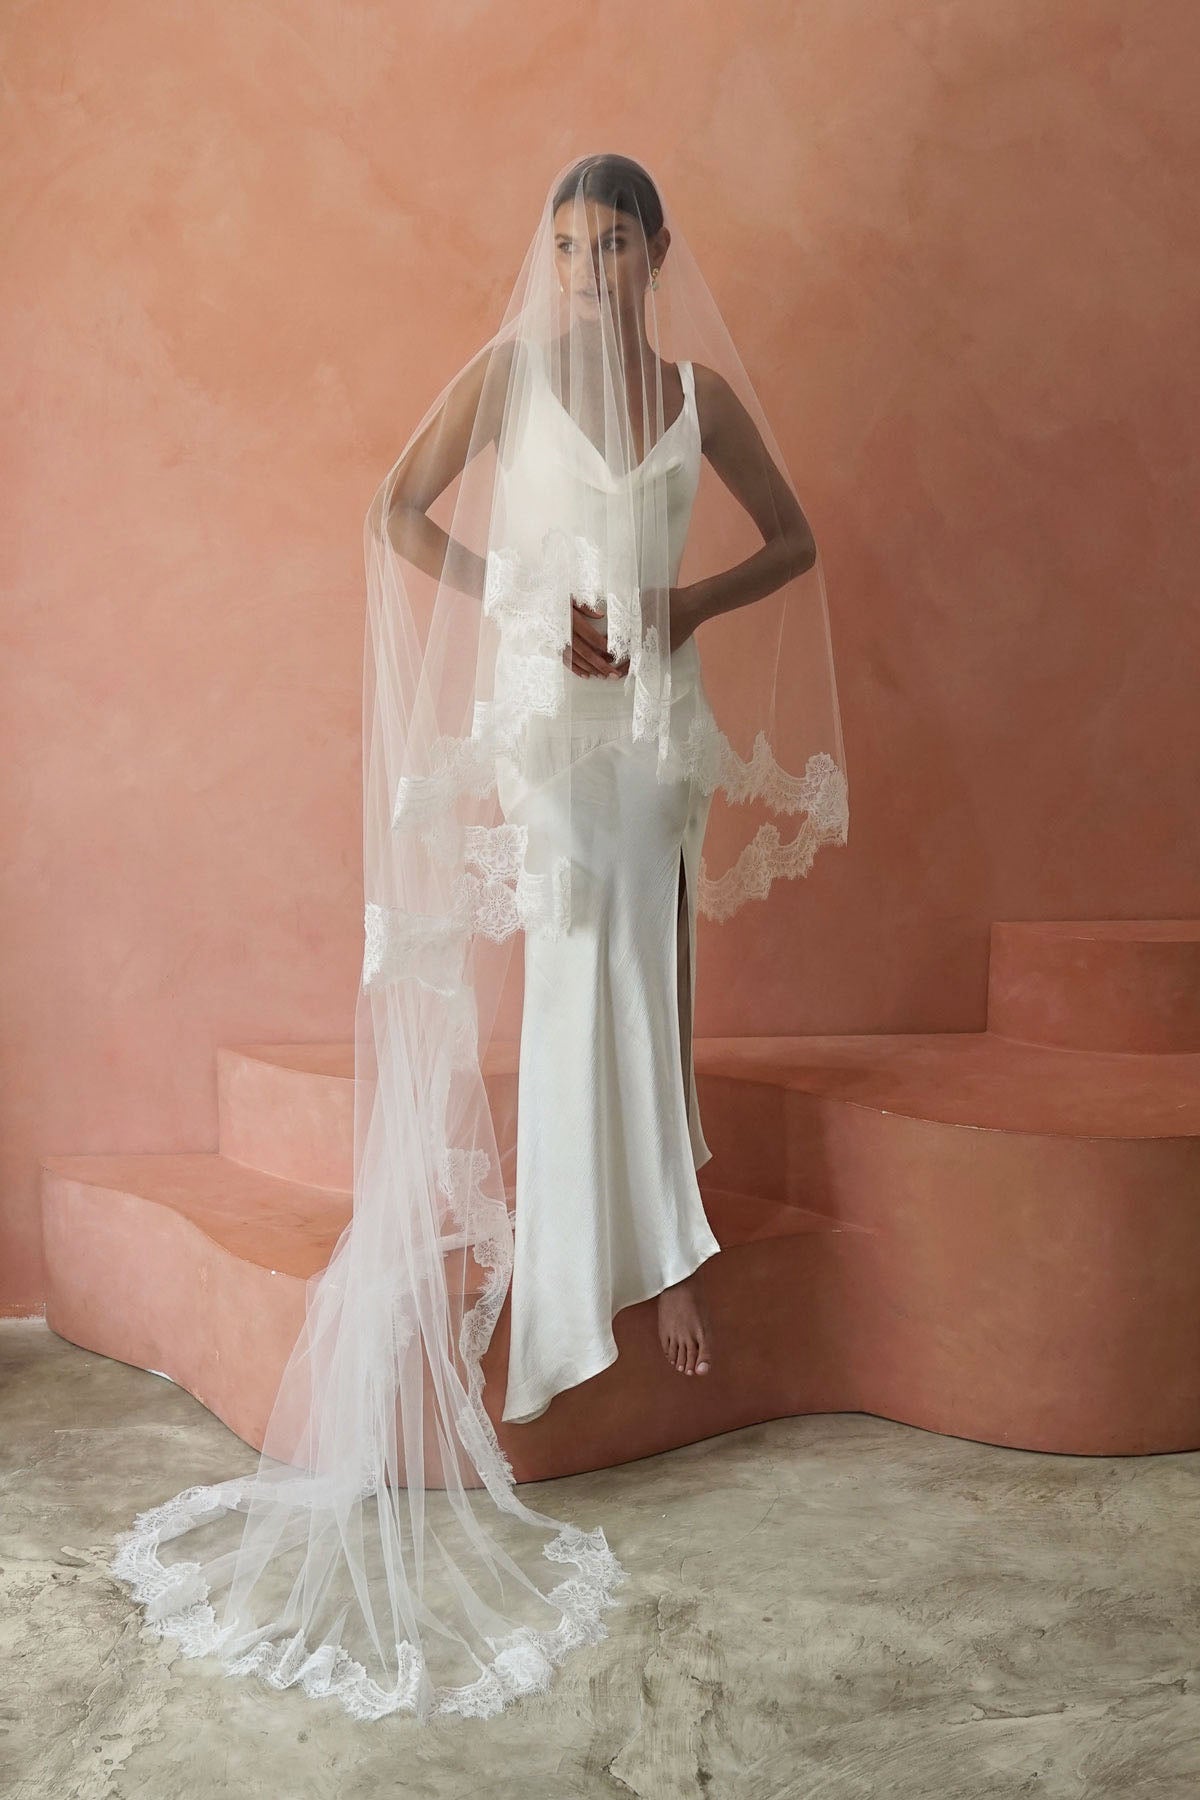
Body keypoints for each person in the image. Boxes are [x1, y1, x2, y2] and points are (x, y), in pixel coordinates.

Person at [108, 151, 848, 1724]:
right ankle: (589, 1280)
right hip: (548, 727)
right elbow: (395, 511)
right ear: (553, 259)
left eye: (615, 244)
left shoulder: (698, 398)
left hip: (656, 725)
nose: (590, 268)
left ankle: (660, 1254)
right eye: (568, 245)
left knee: (653, 969)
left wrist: (688, 609)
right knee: (583, 973)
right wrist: (521, 597)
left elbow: (794, 542)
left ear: (660, 250)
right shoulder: (512, 380)